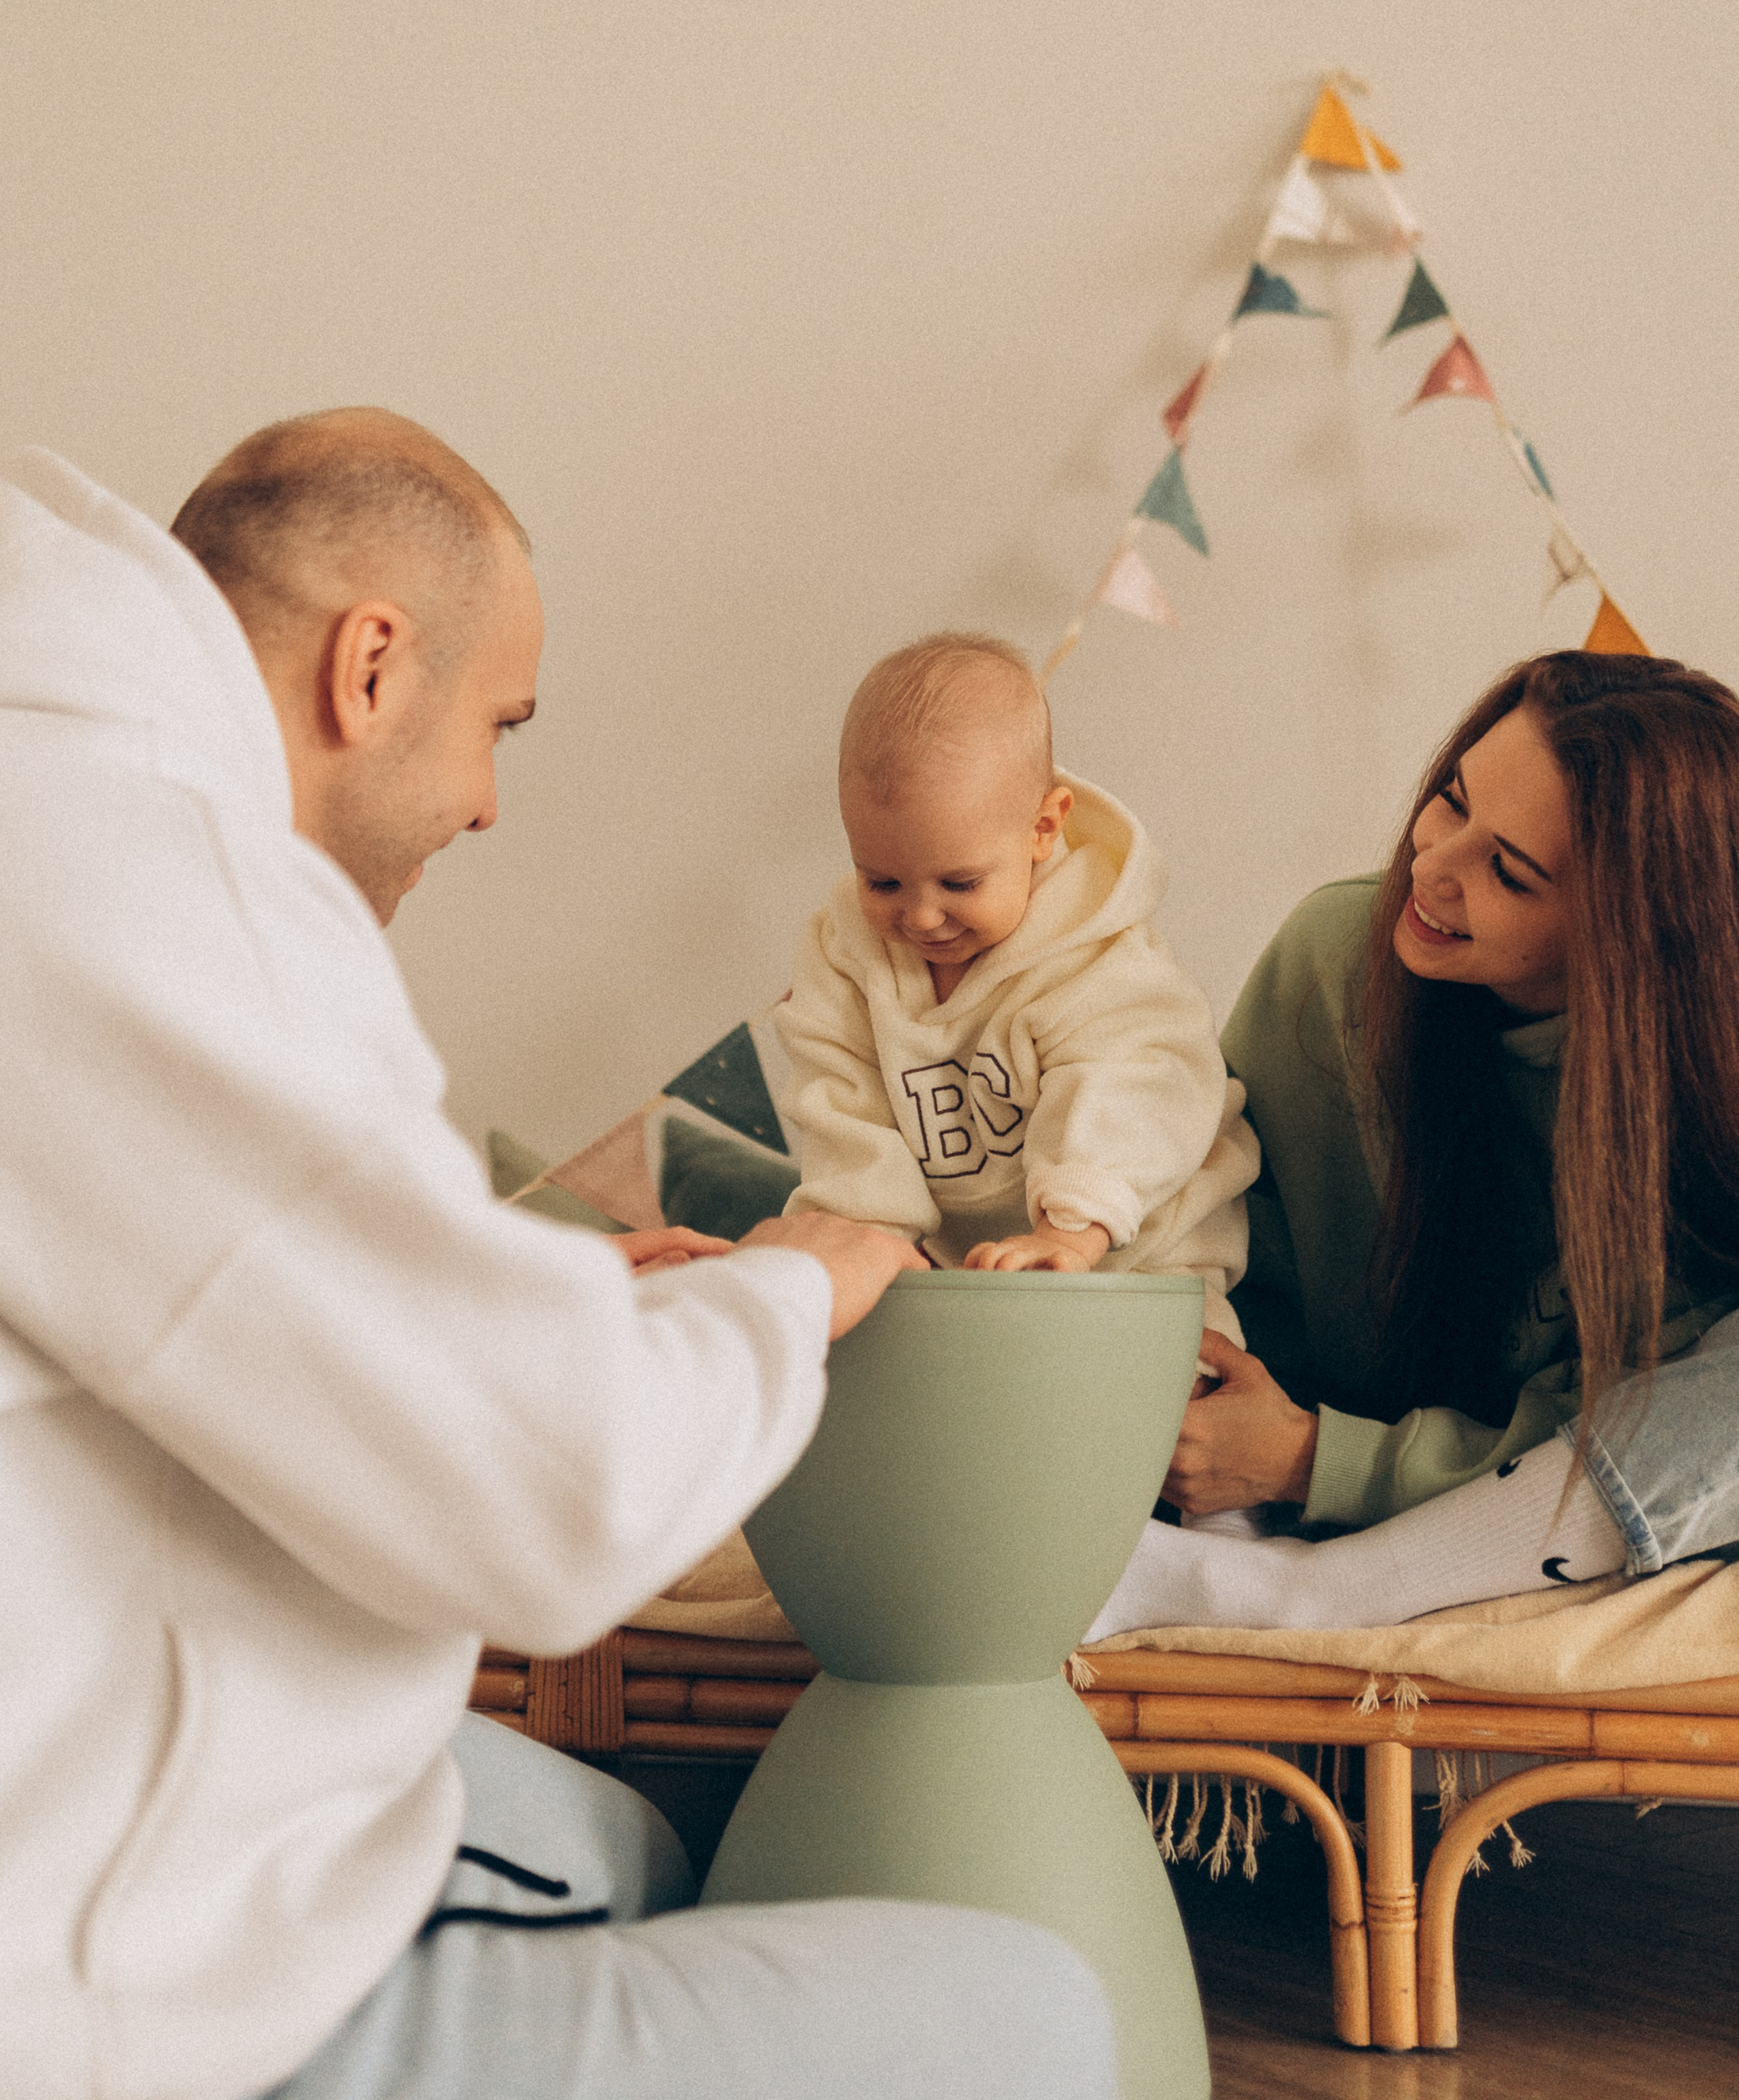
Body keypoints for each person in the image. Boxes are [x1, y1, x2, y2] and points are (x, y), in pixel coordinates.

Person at [0, 416, 1117, 2100]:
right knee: (1037, 2010)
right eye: (495, 728)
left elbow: (216, 1300)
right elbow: (547, 1494)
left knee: (607, 1838)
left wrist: (568, 1307)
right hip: (80, 1987)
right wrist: (791, 1283)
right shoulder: (140, 869)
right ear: (371, 664)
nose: (487, 802)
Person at [1087, 651, 1739, 1641]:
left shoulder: (1692, 1107)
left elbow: (1637, 1419)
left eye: (1508, 870)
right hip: (1267, 1463)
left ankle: (1321, 1595)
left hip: (1524, 1502)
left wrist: (1319, 1460)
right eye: (1451, 798)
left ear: (1626, 934)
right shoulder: (1338, 956)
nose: (1432, 868)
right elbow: (1221, 1240)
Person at [776, 633, 1257, 1323]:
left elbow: (1139, 1084)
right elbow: (840, 1102)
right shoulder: (847, 955)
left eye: (959, 881)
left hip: (1146, 1252)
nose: (921, 914)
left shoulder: (1098, 954)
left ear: (1042, 826)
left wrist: (1069, 1231)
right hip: (962, 1268)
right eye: (881, 879)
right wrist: (861, 1240)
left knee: (1181, 1400)